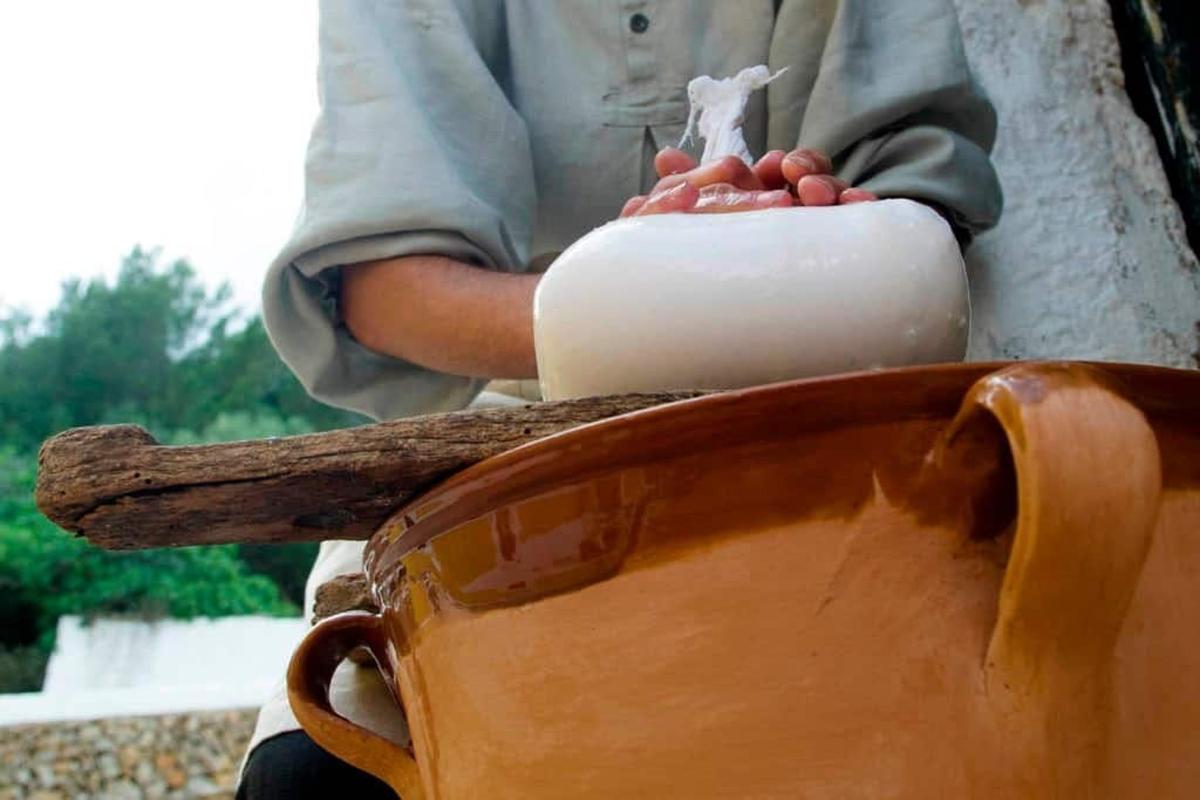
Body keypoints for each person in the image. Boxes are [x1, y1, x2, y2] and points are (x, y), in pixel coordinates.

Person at [238, 1, 1003, 797]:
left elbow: (919, 237)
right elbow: (386, 288)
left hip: (834, 425)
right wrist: (639, 296)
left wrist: (811, 229)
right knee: (315, 776)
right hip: (503, 439)